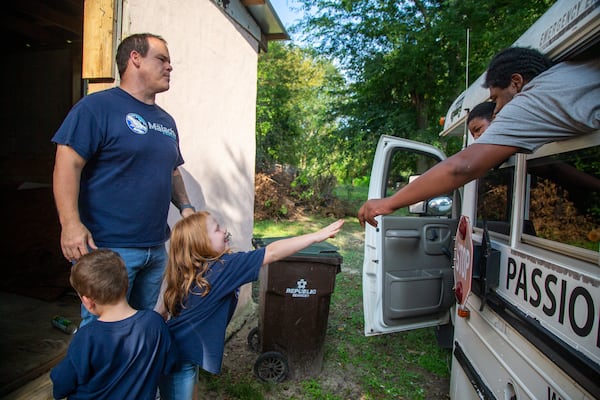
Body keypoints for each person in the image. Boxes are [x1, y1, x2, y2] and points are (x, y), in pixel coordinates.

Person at [358, 46, 600, 227]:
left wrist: (388, 203)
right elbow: (554, 170)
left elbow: (461, 167)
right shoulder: (574, 72)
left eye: (495, 98)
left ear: (516, 83)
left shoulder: (533, 99)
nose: (496, 110)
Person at [52, 33, 195, 326]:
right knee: (102, 333)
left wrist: (187, 208)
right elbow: (67, 165)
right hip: (108, 249)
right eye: (162, 59)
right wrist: (70, 224)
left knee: (141, 328)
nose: (170, 67)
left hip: (155, 248)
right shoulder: (96, 108)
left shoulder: (166, 121)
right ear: (135, 58)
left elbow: (172, 171)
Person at [156, 211, 344, 400]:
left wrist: (161, 312)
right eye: (217, 229)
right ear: (200, 243)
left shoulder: (196, 269)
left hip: (178, 351)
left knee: (190, 386)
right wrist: (316, 236)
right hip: (177, 358)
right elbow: (272, 251)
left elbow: (170, 293)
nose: (224, 231)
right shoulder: (224, 267)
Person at [50, 249, 178, 400]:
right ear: (126, 284)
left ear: (87, 302)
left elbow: (63, 383)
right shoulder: (155, 323)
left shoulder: (87, 337)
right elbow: (170, 363)